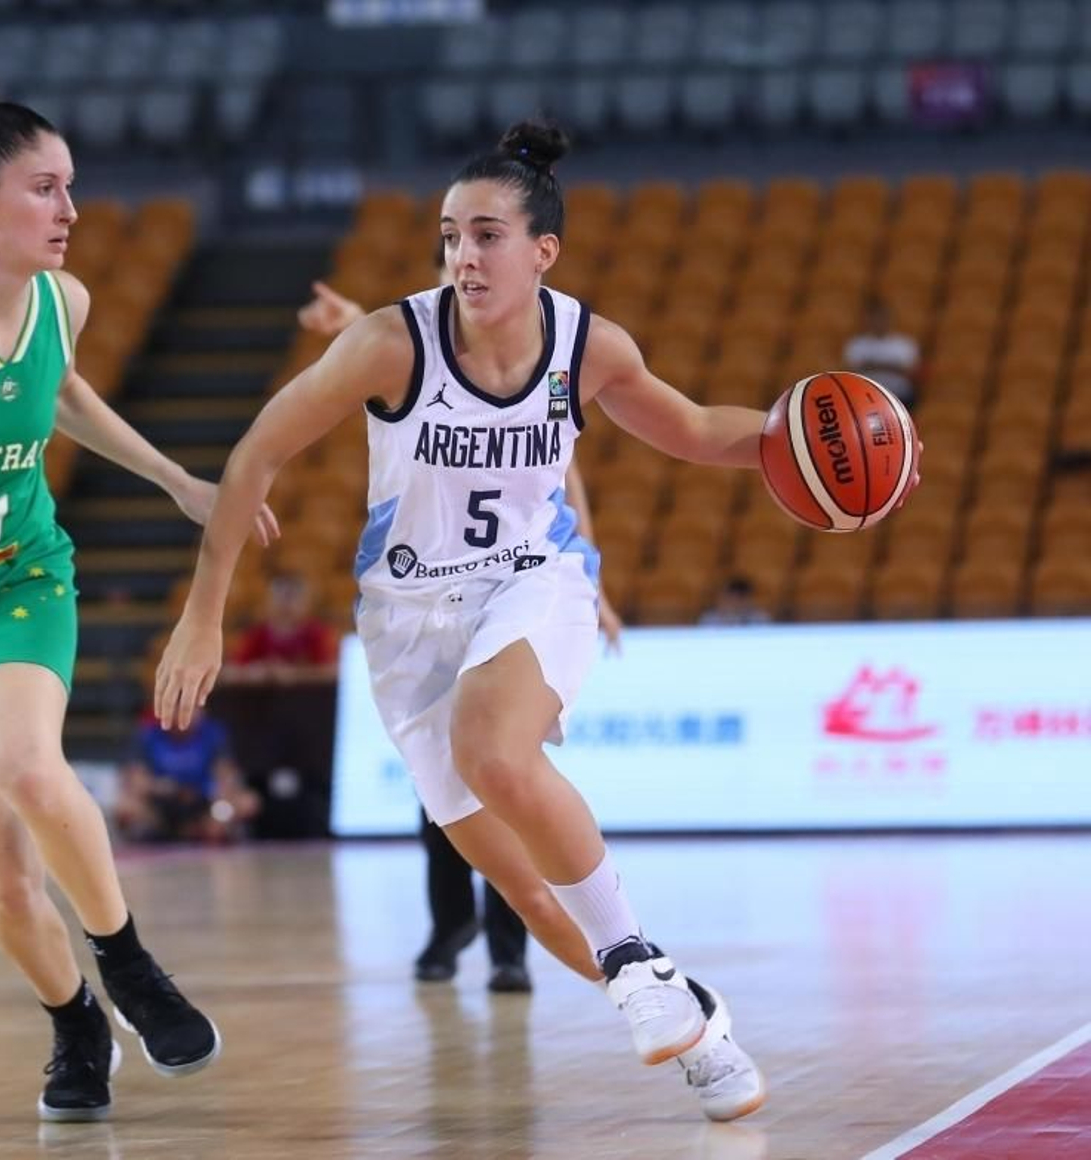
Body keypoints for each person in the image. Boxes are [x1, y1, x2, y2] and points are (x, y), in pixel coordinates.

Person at [158, 120, 901, 1123]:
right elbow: (252, 456)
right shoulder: (389, 342)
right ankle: (691, 1016)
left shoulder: (588, 344)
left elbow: (690, 429)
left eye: (487, 235)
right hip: (407, 622)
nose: (463, 254)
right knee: (535, 900)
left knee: (493, 745)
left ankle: (636, 960)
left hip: (534, 579)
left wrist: (793, 439)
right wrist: (205, 615)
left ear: (542, 250)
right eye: (449, 235)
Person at [0, 57, 277, 1124]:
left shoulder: (63, 299)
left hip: (16, 572)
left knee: (28, 761)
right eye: (45, 188)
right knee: (3, 879)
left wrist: (173, 477)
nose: (71, 209)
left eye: (71, 184)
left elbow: (59, 389)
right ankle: (73, 1017)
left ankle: (127, 961)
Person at [295, 270, 625, 996]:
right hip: (428, 598)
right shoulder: (422, 345)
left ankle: (513, 948)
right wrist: (351, 315)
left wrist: (588, 581)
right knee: (443, 796)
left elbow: (563, 480)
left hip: (511, 587)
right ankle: (450, 927)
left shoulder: (545, 364)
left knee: (506, 768)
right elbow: (394, 360)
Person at [115, 709, 259, 843]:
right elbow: (136, 779)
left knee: (248, 802)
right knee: (125, 807)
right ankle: (162, 831)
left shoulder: (213, 733)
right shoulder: (148, 735)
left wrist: (221, 803)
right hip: (161, 804)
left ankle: (203, 829)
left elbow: (227, 776)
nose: (182, 713)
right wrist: (162, 787)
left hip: (203, 803)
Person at [843, 299, 920, 411]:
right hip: (864, 396)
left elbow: (911, 371)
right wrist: (891, 366)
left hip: (899, 396)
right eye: (875, 318)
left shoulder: (904, 344)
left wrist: (872, 365)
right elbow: (849, 371)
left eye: (882, 318)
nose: (879, 322)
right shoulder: (856, 344)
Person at [699, 575, 771, 626]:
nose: (735, 603)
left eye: (740, 599)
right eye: (731, 598)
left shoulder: (759, 618)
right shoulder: (711, 618)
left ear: (748, 600)